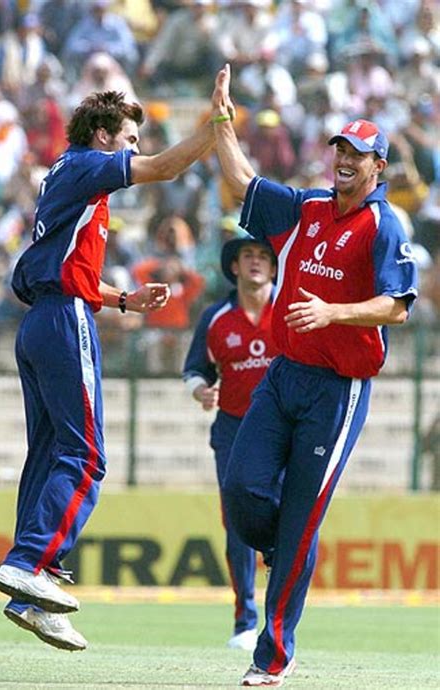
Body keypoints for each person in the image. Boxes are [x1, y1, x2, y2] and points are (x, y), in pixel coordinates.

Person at [211, 65, 418, 686]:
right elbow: (242, 180)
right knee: (241, 489)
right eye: (340, 150)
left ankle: (272, 657)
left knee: (301, 515)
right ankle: (292, 551)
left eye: (359, 153)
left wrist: (334, 311)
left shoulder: (384, 225)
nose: (346, 160)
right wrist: (222, 122)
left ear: (379, 166)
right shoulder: (306, 209)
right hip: (282, 377)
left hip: (338, 389)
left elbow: (398, 306)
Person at [0, 89, 217, 652]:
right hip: (64, 319)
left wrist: (124, 300)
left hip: (44, 318)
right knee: (87, 456)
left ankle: (32, 589)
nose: (134, 147)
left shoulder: (65, 173)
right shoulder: (92, 165)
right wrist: (217, 127)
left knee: (48, 456)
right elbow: (166, 168)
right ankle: (31, 562)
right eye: (129, 137)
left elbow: (64, 269)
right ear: (102, 135)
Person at [183, 234, 278, 652]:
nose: (255, 263)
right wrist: (201, 390)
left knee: (288, 522)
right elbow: (194, 371)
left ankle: (280, 621)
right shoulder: (216, 317)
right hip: (234, 431)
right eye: (247, 256)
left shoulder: (293, 308)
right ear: (234, 267)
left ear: (275, 267)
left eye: (263, 256)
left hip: (285, 431)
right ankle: (245, 620)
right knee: (238, 523)